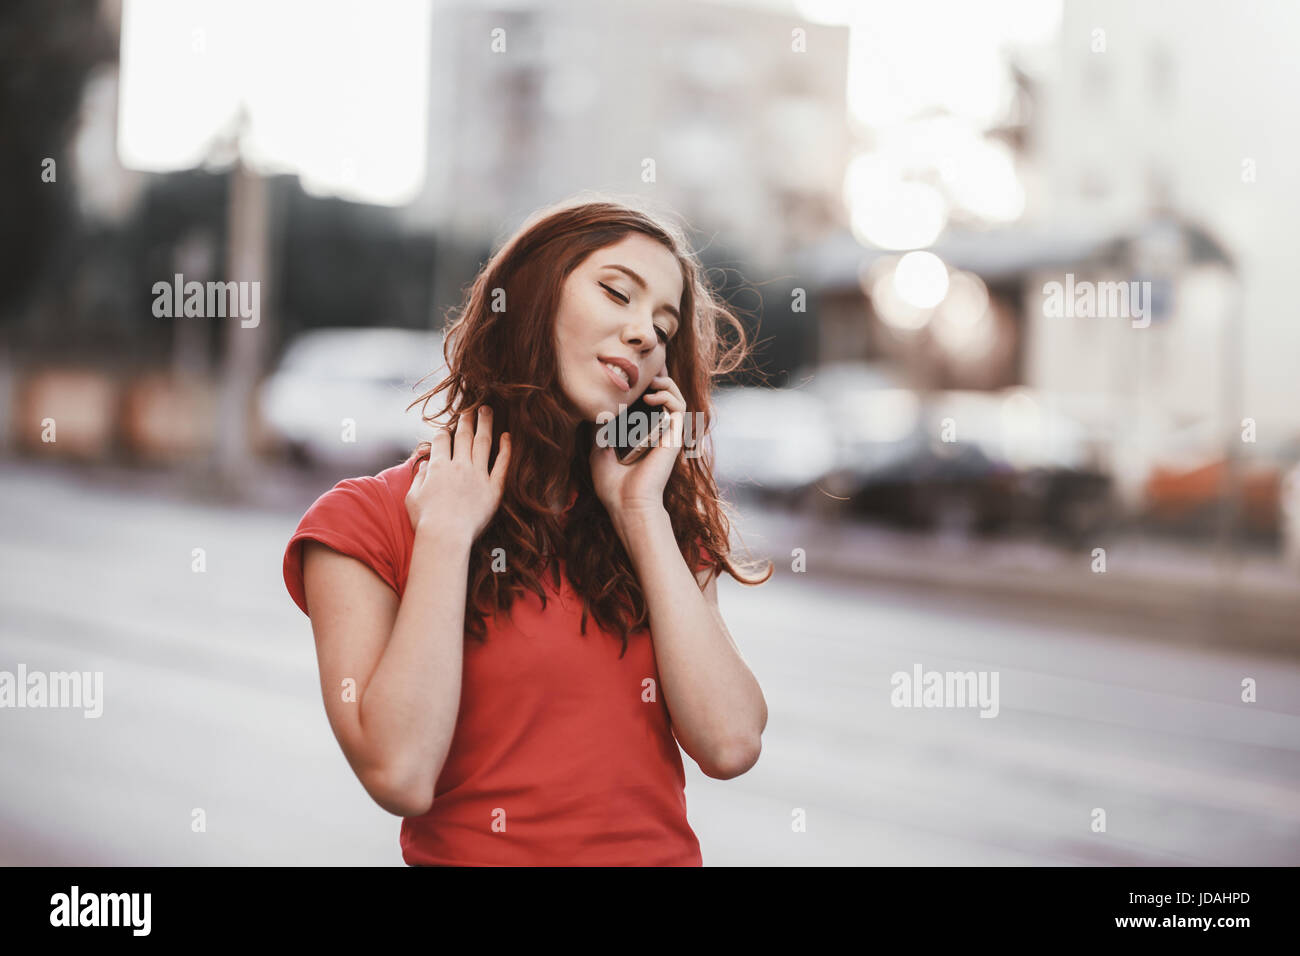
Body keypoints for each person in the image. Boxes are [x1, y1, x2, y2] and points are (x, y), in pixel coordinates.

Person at [282, 195, 772, 866]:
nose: (644, 335)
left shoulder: (657, 524)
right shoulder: (368, 521)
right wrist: (447, 537)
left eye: (664, 325)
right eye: (615, 293)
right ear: (532, 295)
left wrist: (639, 513)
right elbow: (399, 772)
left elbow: (731, 743)